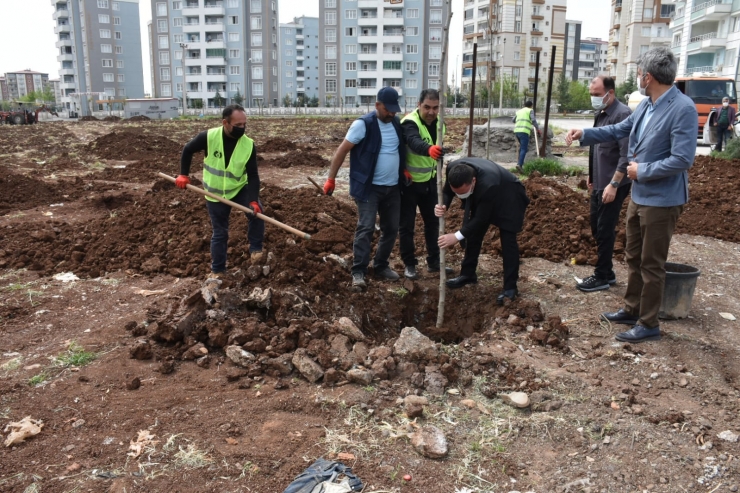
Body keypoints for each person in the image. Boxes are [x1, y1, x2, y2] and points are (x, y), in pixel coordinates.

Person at [564, 47, 697, 343]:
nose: (637, 77)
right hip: (640, 197)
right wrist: (583, 134)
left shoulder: (682, 108)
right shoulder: (648, 105)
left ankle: (648, 323)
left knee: (652, 262)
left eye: (638, 73)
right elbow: (618, 130)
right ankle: (631, 308)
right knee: (633, 256)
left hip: (663, 200)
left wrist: (643, 170)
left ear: (647, 77)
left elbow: (683, 159)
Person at [323, 87, 406, 289]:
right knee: (366, 227)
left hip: (392, 188)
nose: (392, 113)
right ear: (377, 105)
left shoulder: (395, 123)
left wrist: (403, 170)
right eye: (388, 109)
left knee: (392, 228)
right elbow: (341, 151)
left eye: (395, 109)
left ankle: (380, 265)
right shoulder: (363, 125)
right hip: (369, 188)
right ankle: (359, 271)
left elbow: (398, 150)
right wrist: (331, 178)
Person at [176, 104, 264, 277]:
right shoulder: (209, 137)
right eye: (238, 125)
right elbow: (187, 150)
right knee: (220, 232)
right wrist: (183, 175)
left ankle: (256, 250)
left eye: (244, 124)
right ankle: (218, 270)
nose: (242, 128)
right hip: (214, 193)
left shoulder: (248, 145)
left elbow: (253, 175)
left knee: (257, 214)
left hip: (239, 188)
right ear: (225, 122)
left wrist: (253, 199)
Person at [434, 158, 530, 305]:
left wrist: (456, 236)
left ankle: (510, 288)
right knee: (474, 235)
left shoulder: (488, 184)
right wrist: (443, 205)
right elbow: (447, 191)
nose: (460, 196)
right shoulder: (453, 169)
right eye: (457, 193)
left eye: (463, 193)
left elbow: (480, 219)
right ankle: (468, 274)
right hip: (483, 194)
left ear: (473, 181)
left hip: (509, 197)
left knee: (508, 242)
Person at [576, 75, 632, 292]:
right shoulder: (601, 113)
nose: (594, 99)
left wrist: (614, 185)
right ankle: (607, 273)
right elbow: (596, 144)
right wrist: (592, 174)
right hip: (600, 180)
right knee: (596, 225)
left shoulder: (622, 114)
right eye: (592, 95)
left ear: (610, 92)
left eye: (597, 95)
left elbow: (626, 155)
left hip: (615, 183)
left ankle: (601, 276)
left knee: (605, 228)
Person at [399, 89, 453, 279]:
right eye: (427, 107)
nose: (431, 112)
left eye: (435, 107)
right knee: (406, 226)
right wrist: (429, 149)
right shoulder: (410, 123)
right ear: (419, 105)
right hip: (409, 184)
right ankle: (409, 264)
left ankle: (434, 261)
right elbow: (413, 141)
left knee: (433, 222)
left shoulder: (440, 123)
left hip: (431, 182)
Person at [512, 100, 541, 173]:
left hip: (517, 131)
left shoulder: (519, 111)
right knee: (524, 149)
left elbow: (513, 120)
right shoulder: (530, 110)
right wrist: (538, 129)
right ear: (531, 105)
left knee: (522, 148)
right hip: (524, 131)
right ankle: (519, 164)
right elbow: (533, 120)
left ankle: (520, 162)